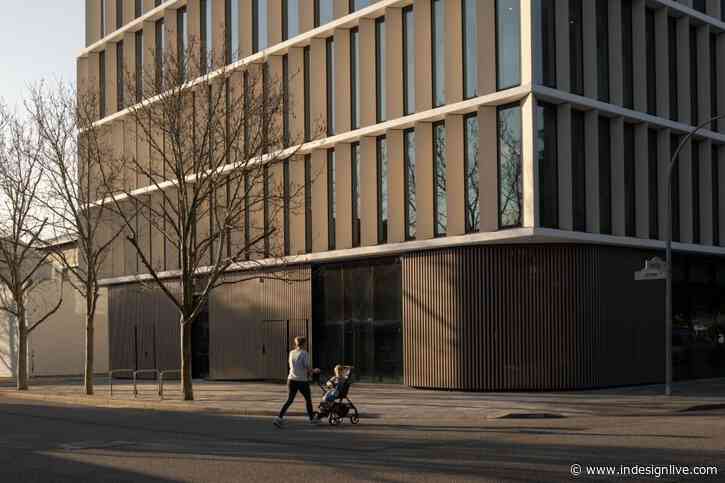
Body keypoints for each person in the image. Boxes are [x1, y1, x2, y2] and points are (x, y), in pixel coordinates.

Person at [273, 336, 320, 428]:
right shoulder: (304, 353)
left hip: (291, 379)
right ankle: (312, 419)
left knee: (289, 399)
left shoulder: (291, 353)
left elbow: (292, 365)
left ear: (296, 343)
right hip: (301, 380)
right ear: (304, 344)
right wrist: (315, 371)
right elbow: (307, 367)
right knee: (308, 400)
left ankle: (279, 418)